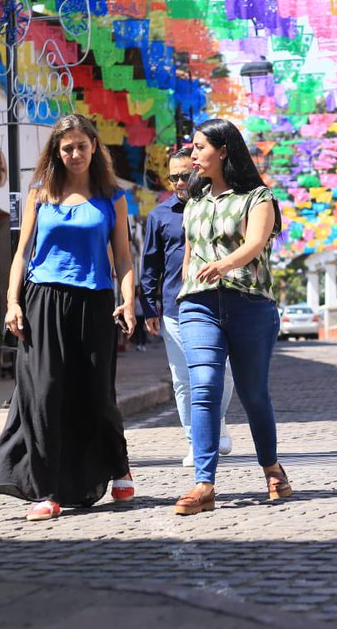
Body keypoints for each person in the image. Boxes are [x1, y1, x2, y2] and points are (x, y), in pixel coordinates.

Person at [0, 114, 135, 522]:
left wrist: (128, 299)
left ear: (93, 147)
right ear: (56, 151)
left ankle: (117, 463)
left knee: (97, 392)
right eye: (66, 147)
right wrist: (13, 302)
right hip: (43, 300)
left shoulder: (112, 198)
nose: (74, 154)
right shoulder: (40, 193)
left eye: (81, 146)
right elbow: (22, 253)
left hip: (96, 300)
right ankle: (45, 489)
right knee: (44, 392)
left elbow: (122, 256)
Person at [173, 118, 291, 516]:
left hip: (249, 304)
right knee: (203, 387)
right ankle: (204, 484)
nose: (193, 154)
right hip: (199, 305)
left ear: (223, 151)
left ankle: (271, 469)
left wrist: (223, 265)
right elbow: (190, 252)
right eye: (192, 148)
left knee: (252, 392)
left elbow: (256, 243)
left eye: (200, 147)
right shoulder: (193, 201)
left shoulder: (257, 197)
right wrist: (181, 291)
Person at [140, 146, 234, 468]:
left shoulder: (218, 206)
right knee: (183, 379)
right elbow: (150, 265)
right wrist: (148, 309)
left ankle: (215, 421)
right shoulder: (159, 216)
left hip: (217, 302)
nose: (180, 182)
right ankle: (197, 441)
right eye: (174, 177)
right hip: (174, 309)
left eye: (185, 175)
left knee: (224, 372)